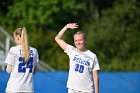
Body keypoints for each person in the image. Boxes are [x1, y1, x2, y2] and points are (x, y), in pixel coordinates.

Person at [55, 23, 100, 93]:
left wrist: (97, 92)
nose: (78, 42)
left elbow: (95, 76)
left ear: (85, 40)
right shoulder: (72, 51)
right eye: (75, 40)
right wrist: (66, 27)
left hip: (87, 90)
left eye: (80, 40)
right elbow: (57, 38)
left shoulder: (92, 56)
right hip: (72, 89)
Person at [5, 27, 39, 93]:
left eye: (15, 38)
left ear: (18, 37)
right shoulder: (34, 51)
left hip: (13, 88)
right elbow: (34, 71)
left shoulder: (13, 50)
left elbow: (8, 70)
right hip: (28, 89)